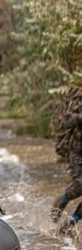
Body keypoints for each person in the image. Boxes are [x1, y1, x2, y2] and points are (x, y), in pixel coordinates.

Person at [50, 86, 82, 237]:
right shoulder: (79, 99)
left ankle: (68, 226)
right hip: (78, 153)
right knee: (80, 185)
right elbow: (67, 121)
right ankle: (61, 203)